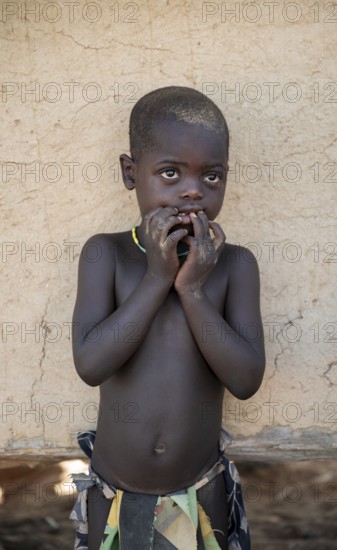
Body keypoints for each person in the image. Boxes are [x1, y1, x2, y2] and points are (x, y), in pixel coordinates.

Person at [70, 86, 265, 550]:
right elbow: (90, 365)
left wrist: (193, 289)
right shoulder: (106, 255)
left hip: (202, 494)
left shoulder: (235, 265)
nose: (194, 189)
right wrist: (157, 279)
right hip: (114, 496)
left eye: (212, 176)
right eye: (171, 172)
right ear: (130, 173)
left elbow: (245, 380)